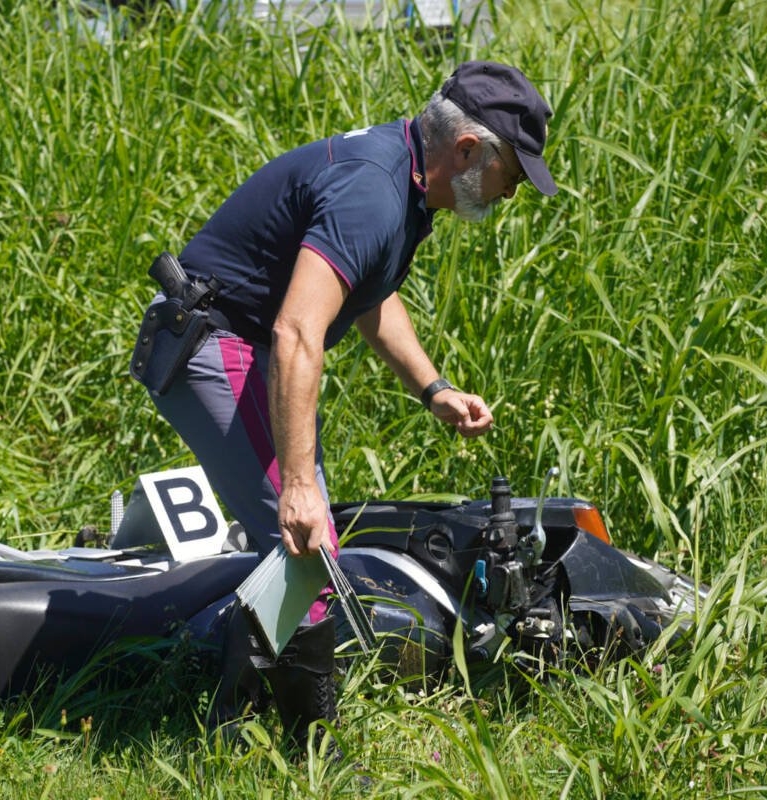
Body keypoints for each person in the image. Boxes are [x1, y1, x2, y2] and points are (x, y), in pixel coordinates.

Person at [132, 61, 558, 749]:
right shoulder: (375, 191)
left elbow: (367, 294)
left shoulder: (405, 183)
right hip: (215, 344)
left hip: (250, 345)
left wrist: (434, 389)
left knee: (303, 546)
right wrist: (298, 485)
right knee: (308, 550)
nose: (513, 191)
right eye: (514, 171)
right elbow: (298, 329)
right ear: (469, 150)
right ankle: (317, 756)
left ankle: (227, 728)